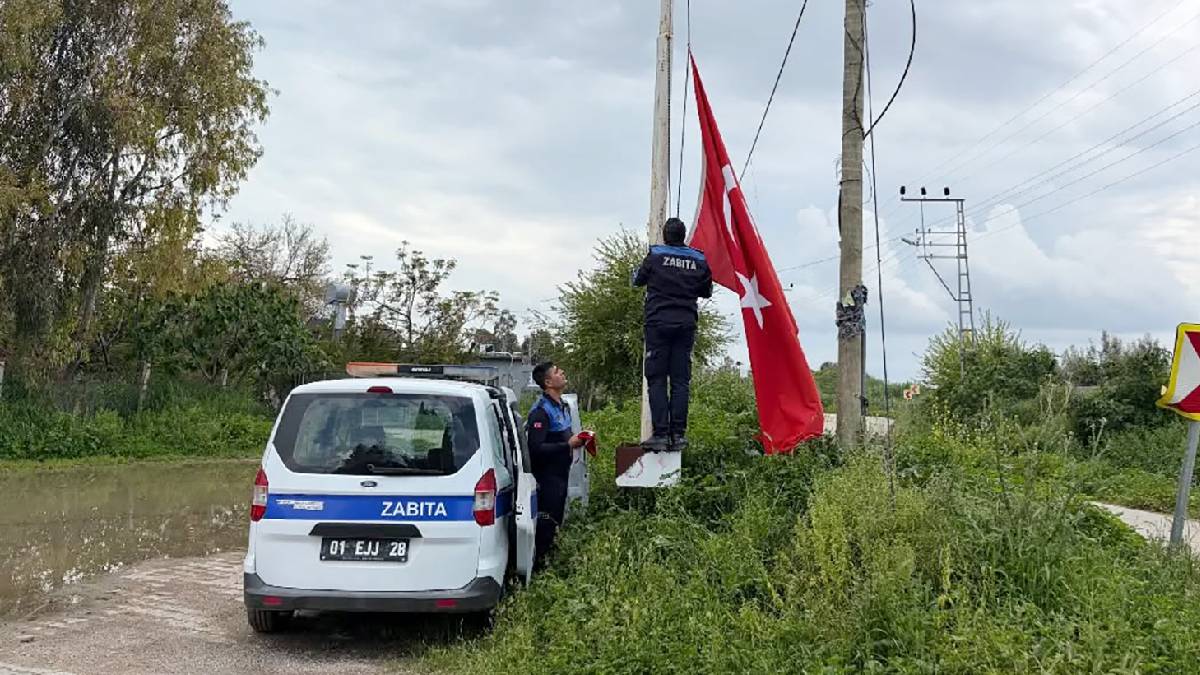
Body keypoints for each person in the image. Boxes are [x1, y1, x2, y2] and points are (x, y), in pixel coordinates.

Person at [632, 217, 713, 452]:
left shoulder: (655, 255)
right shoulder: (698, 258)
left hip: (658, 323)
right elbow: (706, 291)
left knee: (657, 379)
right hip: (686, 324)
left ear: (665, 235)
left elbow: (638, 279)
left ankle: (660, 434)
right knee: (680, 380)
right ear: (683, 235)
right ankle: (678, 435)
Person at [525, 361, 586, 566]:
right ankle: (540, 565)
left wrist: (580, 439)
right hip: (547, 478)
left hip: (561, 474)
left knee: (556, 520)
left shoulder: (562, 406)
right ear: (548, 382)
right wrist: (567, 444)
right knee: (546, 523)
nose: (563, 373)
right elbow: (536, 448)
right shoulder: (540, 412)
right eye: (558, 372)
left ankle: (551, 560)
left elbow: (564, 436)